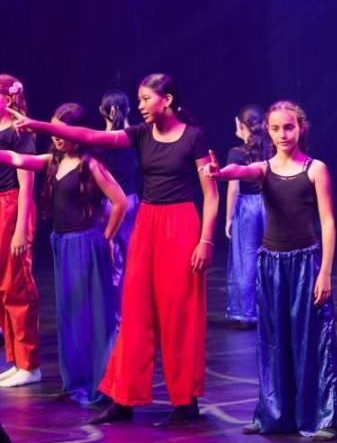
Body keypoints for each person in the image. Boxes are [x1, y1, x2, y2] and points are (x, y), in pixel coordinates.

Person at [14, 73, 218, 424]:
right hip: (148, 222)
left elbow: (211, 195)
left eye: (145, 99)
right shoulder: (140, 134)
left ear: (167, 100)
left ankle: (186, 402)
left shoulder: (194, 137)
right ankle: (123, 399)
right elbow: (91, 136)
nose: (139, 105)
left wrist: (205, 240)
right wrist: (39, 126)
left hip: (182, 222)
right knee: (134, 311)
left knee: (179, 313)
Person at [204, 100, 337, 439]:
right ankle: (273, 412)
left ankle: (323, 418)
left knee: (311, 341)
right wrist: (221, 173)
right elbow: (242, 172)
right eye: (276, 128)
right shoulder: (264, 168)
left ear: (301, 128)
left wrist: (325, 271)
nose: (283, 134)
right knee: (274, 342)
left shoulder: (315, 169)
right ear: (268, 130)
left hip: (305, 264)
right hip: (272, 265)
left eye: (289, 127)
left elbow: (328, 222)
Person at [0, 103, 125, 402]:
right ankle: (76, 381)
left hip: (85, 244)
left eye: (61, 130)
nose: (55, 136)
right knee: (70, 314)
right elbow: (19, 159)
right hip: (62, 243)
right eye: (53, 129)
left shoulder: (89, 163)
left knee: (91, 316)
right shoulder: (54, 160)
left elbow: (120, 201)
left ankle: (103, 383)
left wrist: (106, 237)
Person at [0, 76, 40, 388]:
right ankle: (16, 359)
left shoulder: (19, 132)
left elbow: (26, 184)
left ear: (8, 98)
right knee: (3, 288)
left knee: (17, 284)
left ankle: (29, 363)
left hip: (13, 206)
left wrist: (20, 229)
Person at [98, 89, 141, 324]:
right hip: (131, 202)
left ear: (101, 111)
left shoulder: (99, 141)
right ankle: (129, 310)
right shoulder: (137, 138)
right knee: (130, 257)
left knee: (112, 258)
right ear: (129, 109)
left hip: (107, 204)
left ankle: (116, 313)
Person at [224, 105, 268, 327]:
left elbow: (233, 189)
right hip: (269, 206)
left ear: (240, 125)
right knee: (269, 258)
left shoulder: (236, 153)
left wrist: (229, 218)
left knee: (246, 258)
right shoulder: (269, 150)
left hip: (248, 208)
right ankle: (270, 311)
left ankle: (246, 311)